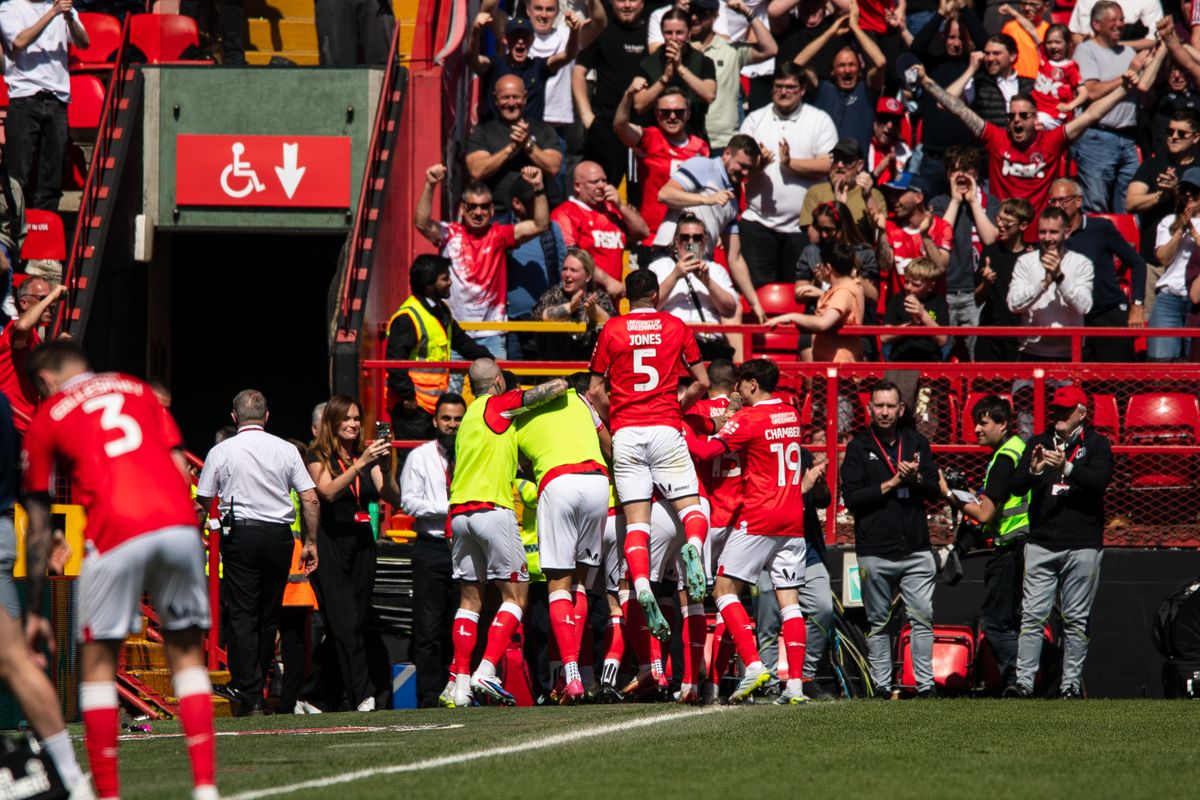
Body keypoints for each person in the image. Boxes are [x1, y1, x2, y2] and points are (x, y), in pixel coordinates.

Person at [21, 340, 216, 800]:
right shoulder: (136, 388)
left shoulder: (49, 415)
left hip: (114, 529)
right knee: (187, 653)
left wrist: (33, 609)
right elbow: (177, 463)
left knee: (99, 663)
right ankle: (205, 788)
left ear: (46, 380)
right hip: (176, 522)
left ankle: (107, 795)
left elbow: (38, 523)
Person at [587, 269, 712, 642]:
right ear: (657, 295)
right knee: (693, 508)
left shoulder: (612, 329)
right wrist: (680, 402)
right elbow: (702, 381)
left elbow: (595, 390)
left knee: (637, 522)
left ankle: (641, 584)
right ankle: (693, 547)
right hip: (664, 427)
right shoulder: (676, 326)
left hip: (626, 433)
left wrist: (618, 415)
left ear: (626, 297)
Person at [687, 359, 811, 704]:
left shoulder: (750, 419)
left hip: (759, 515)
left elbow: (706, 449)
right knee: (790, 603)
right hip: (793, 519)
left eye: (742, 384)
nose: (738, 390)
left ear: (753, 384)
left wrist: (680, 425)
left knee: (723, 589)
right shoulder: (790, 413)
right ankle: (796, 686)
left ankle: (754, 666)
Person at [446, 360, 568, 706]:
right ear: (498, 381)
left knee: (470, 600)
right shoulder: (498, 404)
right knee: (516, 596)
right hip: (492, 509)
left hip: (459, 512)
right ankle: (487, 670)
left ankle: (461, 683)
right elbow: (554, 388)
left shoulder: (469, 416)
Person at [195, 389, 320, 717]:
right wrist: (310, 543)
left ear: (234, 418)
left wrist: (193, 538)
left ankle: (247, 689)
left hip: (242, 536)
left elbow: (202, 502)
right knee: (268, 617)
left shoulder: (221, 451)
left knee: (242, 614)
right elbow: (310, 498)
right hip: (279, 539)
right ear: (266, 416)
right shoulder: (286, 450)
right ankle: (254, 689)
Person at [915, 56, 1151, 218]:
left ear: (1034, 118)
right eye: (1012, 116)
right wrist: (927, 82)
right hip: (1001, 233)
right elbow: (959, 109)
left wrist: (1123, 89)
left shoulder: (1051, 141)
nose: (1016, 120)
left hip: (1038, 237)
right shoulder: (996, 138)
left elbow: (1091, 115)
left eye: (1023, 115)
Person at [1008, 385, 1113, 698]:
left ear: (1082, 413)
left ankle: (1069, 685)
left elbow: (1099, 482)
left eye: (1065, 411)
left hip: (1082, 543)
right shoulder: (1038, 442)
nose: (1058, 416)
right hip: (1042, 543)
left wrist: (1066, 467)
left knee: (1075, 618)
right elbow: (1015, 486)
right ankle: (1024, 683)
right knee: (1032, 616)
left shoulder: (1096, 444)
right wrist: (1032, 470)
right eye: (1055, 410)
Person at [841, 380, 942, 698]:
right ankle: (882, 686)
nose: (884, 412)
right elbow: (852, 499)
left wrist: (917, 479)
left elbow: (935, 493)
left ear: (901, 409)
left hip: (915, 547)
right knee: (879, 621)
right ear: (869, 409)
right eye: (878, 406)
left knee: (922, 617)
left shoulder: (916, 442)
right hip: (874, 549)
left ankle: (925, 685)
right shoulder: (859, 447)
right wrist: (892, 482)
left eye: (890, 406)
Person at [514, 376, 610, 704]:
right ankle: (582, 673)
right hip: (599, 481)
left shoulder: (516, 413)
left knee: (558, 586)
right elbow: (608, 444)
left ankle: (570, 676)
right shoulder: (580, 401)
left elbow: (518, 465)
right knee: (581, 585)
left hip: (558, 481)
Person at [306, 396, 399, 712]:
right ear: (332, 422)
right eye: (346, 418)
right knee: (345, 622)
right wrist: (359, 466)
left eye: (357, 418)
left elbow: (391, 496)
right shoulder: (318, 454)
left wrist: (385, 468)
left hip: (362, 543)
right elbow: (328, 491)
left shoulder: (364, 454)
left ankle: (313, 695)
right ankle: (362, 694)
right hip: (332, 543)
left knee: (349, 624)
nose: (353, 424)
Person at [414, 163, 550, 359]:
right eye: (472, 207)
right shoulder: (449, 233)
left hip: (491, 333)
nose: (478, 212)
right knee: (453, 390)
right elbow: (421, 223)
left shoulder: (499, 235)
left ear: (492, 210)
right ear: (462, 209)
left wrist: (538, 187)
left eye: (484, 207)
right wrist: (429, 185)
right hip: (454, 330)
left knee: (494, 389)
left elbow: (541, 224)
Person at [941, 395, 1029, 691]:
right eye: (975, 422)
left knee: (996, 623)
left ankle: (1019, 682)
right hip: (1023, 546)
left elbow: (985, 512)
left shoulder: (1004, 458)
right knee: (1017, 621)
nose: (977, 429)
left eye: (984, 422)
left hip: (1012, 549)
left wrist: (949, 494)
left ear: (1003, 424)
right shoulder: (1018, 449)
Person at [737, 60, 839, 287]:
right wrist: (760, 165)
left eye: (790, 87)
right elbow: (739, 166)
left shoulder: (819, 120)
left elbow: (828, 164)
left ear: (802, 89)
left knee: (798, 293)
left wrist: (790, 163)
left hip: (801, 228)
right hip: (759, 224)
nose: (783, 92)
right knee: (760, 293)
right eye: (778, 86)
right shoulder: (755, 119)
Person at [653, 135, 766, 320]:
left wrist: (755, 303)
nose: (745, 173)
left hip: (701, 263)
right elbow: (664, 194)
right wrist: (708, 200)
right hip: (669, 255)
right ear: (727, 154)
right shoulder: (702, 166)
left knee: (730, 307)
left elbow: (735, 257)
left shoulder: (733, 196)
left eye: (750, 168)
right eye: (742, 165)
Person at [400, 393, 465, 708]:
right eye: (446, 419)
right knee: (428, 628)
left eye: (457, 419)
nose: (452, 425)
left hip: (464, 548)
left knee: (461, 623)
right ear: (435, 420)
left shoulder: (472, 453)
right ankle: (428, 697)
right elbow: (408, 502)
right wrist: (450, 508)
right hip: (432, 548)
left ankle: (459, 691)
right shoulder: (419, 456)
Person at [385, 255, 492, 442]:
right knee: (411, 461)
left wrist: (490, 360)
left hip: (432, 404)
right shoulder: (408, 317)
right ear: (428, 285)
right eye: (445, 278)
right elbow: (394, 362)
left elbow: (463, 342)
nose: (450, 282)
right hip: (412, 406)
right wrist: (408, 396)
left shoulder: (441, 310)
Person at [0, 0, 88, 211]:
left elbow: (84, 43)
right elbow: (20, 42)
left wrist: (68, 18)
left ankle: (45, 228)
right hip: (24, 98)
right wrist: (53, 13)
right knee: (18, 177)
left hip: (57, 99)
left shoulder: (64, 8)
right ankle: (15, 229)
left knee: (51, 178)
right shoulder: (10, 8)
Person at [1048, 178, 1147, 361]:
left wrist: (1137, 306)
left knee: (1119, 383)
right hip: (1072, 319)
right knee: (1077, 384)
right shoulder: (1049, 235)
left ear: (1078, 201)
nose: (1057, 205)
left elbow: (1137, 263)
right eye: (1053, 201)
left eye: (1063, 200)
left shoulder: (1101, 228)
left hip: (1108, 314)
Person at [1071, 1, 1147, 212]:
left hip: (1128, 138)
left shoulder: (1128, 52)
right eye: (1113, 20)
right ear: (1096, 24)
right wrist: (1126, 77)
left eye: (1122, 19)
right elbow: (1092, 91)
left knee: (1128, 206)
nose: (1120, 24)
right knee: (1096, 204)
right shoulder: (1086, 50)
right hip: (1097, 138)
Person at [613, 83, 710, 247]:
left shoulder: (701, 147)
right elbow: (620, 126)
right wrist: (628, 94)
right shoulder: (650, 138)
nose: (672, 117)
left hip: (689, 239)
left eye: (678, 112)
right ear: (657, 114)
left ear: (688, 114)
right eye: (665, 112)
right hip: (654, 238)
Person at [929, 146, 1000, 359]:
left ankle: (976, 392)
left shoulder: (990, 202)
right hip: (945, 290)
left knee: (977, 352)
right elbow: (937, 237)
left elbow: (990, 238)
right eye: (955, 170)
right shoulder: (939, 202)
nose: (961, 176)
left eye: (967, 170)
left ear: (976, 173)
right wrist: (955, 202)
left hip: (976, 291)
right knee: (941, 349)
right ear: (947, 174)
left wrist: (972, 202)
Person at [574, 0, 649, 190]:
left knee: (639, 193)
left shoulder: (653, 30)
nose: (627, 5)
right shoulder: (602, 30)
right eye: (620, 0)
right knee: (601, 189)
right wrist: (587, 117)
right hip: (605, 126)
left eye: (633, 0)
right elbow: (578, 73)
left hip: (642, 128)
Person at [465, 74, 565, 215]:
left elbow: (554, 167)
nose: (511, 103)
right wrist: (511, 148)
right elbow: (477, 171)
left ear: (524, 98)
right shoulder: (483, 132)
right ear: (495, 100)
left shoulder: (544, 130)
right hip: (496, 217)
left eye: (516, 97)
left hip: (536, 217)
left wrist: (527, 143)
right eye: (505, 97)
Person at [647, 213, 739, 360]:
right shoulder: (659, 267)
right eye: (685, 238)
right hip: (672, 345)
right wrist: (675, 275)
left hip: (708, 345)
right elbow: (649, 306)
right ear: (676, 241)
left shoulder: (716, 270)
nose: (691, 242)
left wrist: (708, 282)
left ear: (705, 241)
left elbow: (729, 308)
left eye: (697, 238)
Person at [1007, 206, 1095, 361]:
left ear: (1066, 232)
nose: (1047, 238)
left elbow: (1084, 307)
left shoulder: (1081, 263)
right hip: (1030, 352)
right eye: (1042, 232)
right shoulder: (1025, 262)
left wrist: (1059, 277)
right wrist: (1043, 284)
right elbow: (1014, 305)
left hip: (1069, 354)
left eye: (1053, 232)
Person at [689, 0, 777, 153]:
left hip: (723, 142)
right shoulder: (680, 50)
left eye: (702, 13)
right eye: (692, 11)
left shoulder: (730, 50)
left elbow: (770, 49)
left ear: (715, 16)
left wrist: (748, 13)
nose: (695, 17)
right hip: (688, 140)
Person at [793, 5, 887, 147]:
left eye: (852, 65)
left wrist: (856, 28)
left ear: (860, 69)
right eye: (841, 65)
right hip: (825, 166)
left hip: (858, 167)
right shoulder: (823, 89)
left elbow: (880, 63)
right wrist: (831, 31)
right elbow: (797, 64)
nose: (847, 70)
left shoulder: (866, 90)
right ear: (832, 71)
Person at [550, 160, 647, 294]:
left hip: (613, 299)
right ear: (578, 186)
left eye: (604, 180)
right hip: (582, 298)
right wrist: (607, 281)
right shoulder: (565, 213)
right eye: (595, 182)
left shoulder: (612, 210)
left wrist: (620, 205)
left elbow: (643, 232)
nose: (602, 186)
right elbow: (572, 257)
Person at [469, 10, 582, 124]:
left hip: (531, 136)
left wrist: (574, 31)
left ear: (532, 40)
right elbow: (473, 61)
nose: (520, 41)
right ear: (506, 40)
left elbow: (568, 55)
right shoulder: (495, 65)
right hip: (496, 137)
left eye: (525, 37)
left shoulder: (538, 67)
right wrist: (476, 33)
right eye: (515, 36)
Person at [770, 240, 866, 363]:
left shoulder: (843, 292)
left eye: (821, 264)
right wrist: (821, 293)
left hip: (838, 371)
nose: (818, 267)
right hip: (834, 368)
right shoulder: (851, 287)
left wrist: (791, 316)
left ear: (828, 268)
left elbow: (823, 323)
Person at [506, 175, 568, 359]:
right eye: (534, 200)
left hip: (547, 324)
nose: (541, 204)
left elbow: (563, 267)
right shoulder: (502, 230)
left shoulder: (552, 229)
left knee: (546, 383)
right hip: (512, 326)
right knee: (514, 380)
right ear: (517, 203)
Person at [1127, 109, 1200, 267]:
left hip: (1191, 260)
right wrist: (1161, 195)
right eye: (1170, 131)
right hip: (1152, 259)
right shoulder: (1153, 163)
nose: (1173, 137)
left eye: (1181, 133)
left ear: (1196, 137)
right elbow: (1130, 204)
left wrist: (1176, 192)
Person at [632, 8, 718, 140]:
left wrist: (680, 68)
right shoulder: (649, 63)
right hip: (658, 142)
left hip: (694, 138)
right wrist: (665, 78)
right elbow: (639, 105)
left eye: (679, 33)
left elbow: (709, 95)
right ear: (662, 33)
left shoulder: (703, 62)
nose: (673, 38)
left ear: (689, 33)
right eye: (668, 33)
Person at [0, 279, 65, 432]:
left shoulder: (35, 340)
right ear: (23, 303)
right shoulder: (14, 329)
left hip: (25, 429)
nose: (51, 304)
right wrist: (54, 294)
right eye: (43, 298)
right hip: (9, 425)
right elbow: (23, 327)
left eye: (53, 300)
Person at [1149, 168, 1200, 360]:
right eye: (1184, 190)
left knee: (1194, 362)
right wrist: (1180, 230)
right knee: (1161, 360)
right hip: (1170, 298)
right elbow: (1164, 258)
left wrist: (1194, 234)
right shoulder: (1169, 222)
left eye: (1194, 190)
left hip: (1197, 301)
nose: (1188, 194)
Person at [976, 198, 1035, 362]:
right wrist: (986, 283)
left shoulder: (1033, 255)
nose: (1000, 225)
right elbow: (977, 299)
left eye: (1007, 222)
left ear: (1023, 226)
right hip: (991, 333)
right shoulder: (990, 252)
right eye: (999, 219)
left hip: (1021, 335)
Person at [532, 247, 617, 361]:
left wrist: (592, 309)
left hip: (587, 370)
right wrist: (570, 307)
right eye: (565, 269)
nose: (567, 274)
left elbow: (611, 322)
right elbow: (542, 315)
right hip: (554, 371)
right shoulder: (552, 294)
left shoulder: (600, 297)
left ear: (588, 277)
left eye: (573, 270)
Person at [797, 138, 886, 239]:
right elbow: (814, 238)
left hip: (861, 252)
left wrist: (868, 197)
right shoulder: (816, 192)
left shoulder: (874, 195)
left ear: (860, 165)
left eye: (846, 160)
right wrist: (837, 208)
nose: (839, 165)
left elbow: (879, 234)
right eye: (836, 159)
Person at [878, 172, 952, 291]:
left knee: (931, 311)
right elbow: (885, 266)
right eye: (892, 194)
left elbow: (941, 268)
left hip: (931, 307)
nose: (892, 199)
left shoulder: (941, 226)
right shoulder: (889, 225)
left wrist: (925, 236)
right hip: (900, 305)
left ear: (918, 198)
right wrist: (881, 233)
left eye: (898, 194)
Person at [946, 34, 1036, 129]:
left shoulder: (1031, 85)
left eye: (996, 53)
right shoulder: (977, 83)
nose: (990, 59)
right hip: (987, 143)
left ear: (1012, 56)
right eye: (987, 54)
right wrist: (971, 69)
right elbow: (945, 103)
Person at [881, 257, 950, 362]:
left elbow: (942, 340)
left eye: (915, 285)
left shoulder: (938, 301)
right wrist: (910, 326)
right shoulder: (897, 299)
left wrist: (923, 314)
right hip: (900, 361)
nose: (908, 287)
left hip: (930, 362)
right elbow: (884, 337)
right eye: (907, 282)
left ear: (930, 286)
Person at [1068, 0, 1159, 50]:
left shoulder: (1147, 2)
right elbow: (1076, 33)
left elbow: (1154, 39)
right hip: (1093, 61)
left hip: (1134, 62)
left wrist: (1115, 47)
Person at [999, 0, 1051, 79]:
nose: (1027, 8)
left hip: (1041, 84)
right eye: (1023, 4)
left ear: (1046, 6)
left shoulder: (1049, 31)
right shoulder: (1010, 28)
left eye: (1033, 4)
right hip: (1016, 83)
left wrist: (1012, 11)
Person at [867, 97, 911, 186]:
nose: (890, 126)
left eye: (895, 121)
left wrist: (894, 171)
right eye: (884, 119)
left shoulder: (904, 150)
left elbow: (905, 186)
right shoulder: (863, 146)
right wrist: (879, 170)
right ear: (874, 120)